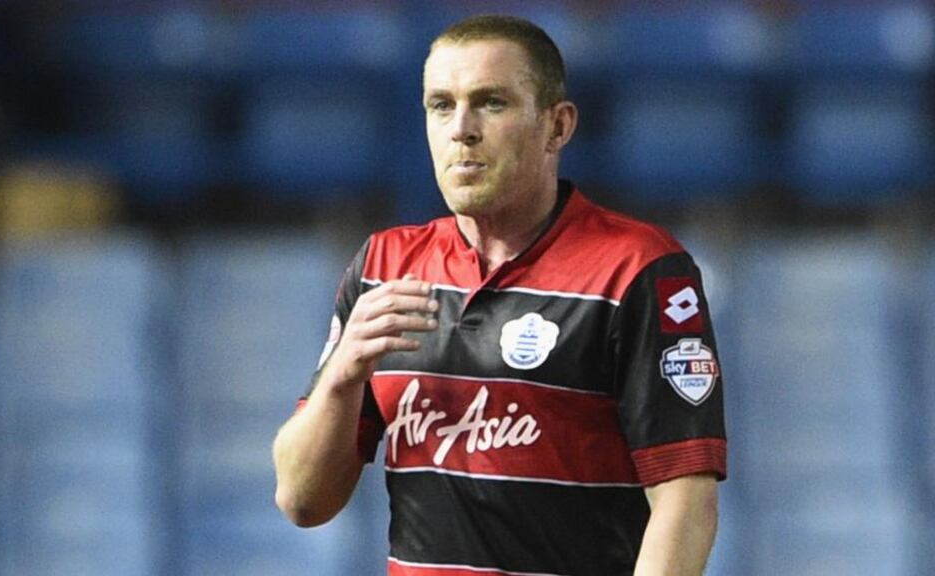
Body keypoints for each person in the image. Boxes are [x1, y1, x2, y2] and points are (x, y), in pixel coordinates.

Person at [273, 14, 727, 576]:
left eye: (491, 103)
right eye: (441, 105)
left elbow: (686, 503)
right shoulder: (383, 268)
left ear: (557, 127)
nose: (461, 129)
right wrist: (341, 378)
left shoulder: (638, 270)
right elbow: (302, 500)